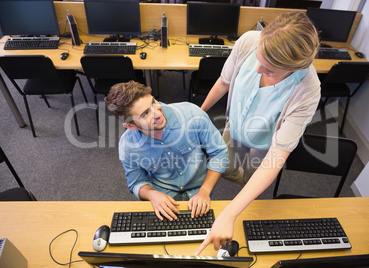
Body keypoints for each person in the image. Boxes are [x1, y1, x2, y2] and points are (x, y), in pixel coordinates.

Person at [195, 12, 321, 255]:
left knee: (251, 181)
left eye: (269, 70)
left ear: (293, 69)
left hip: (264, 144)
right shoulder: (249, 41)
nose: (256, 68)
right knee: (225, 167)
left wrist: (229, 214)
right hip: (234, 126)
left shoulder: (307, 89)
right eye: (258, 57)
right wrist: (198, 114)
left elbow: (276, 157)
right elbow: (224, 81)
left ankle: (242, 202)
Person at [104, 81, 228, 221]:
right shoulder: (128, 146)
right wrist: (152, 195)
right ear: (130, 125)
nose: (157, 113)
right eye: (145, 114)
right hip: (162, 196)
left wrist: (205, 191)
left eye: (154, 102)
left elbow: (219, 153)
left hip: (200, 190)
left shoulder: (192, 115)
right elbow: (136, 182)